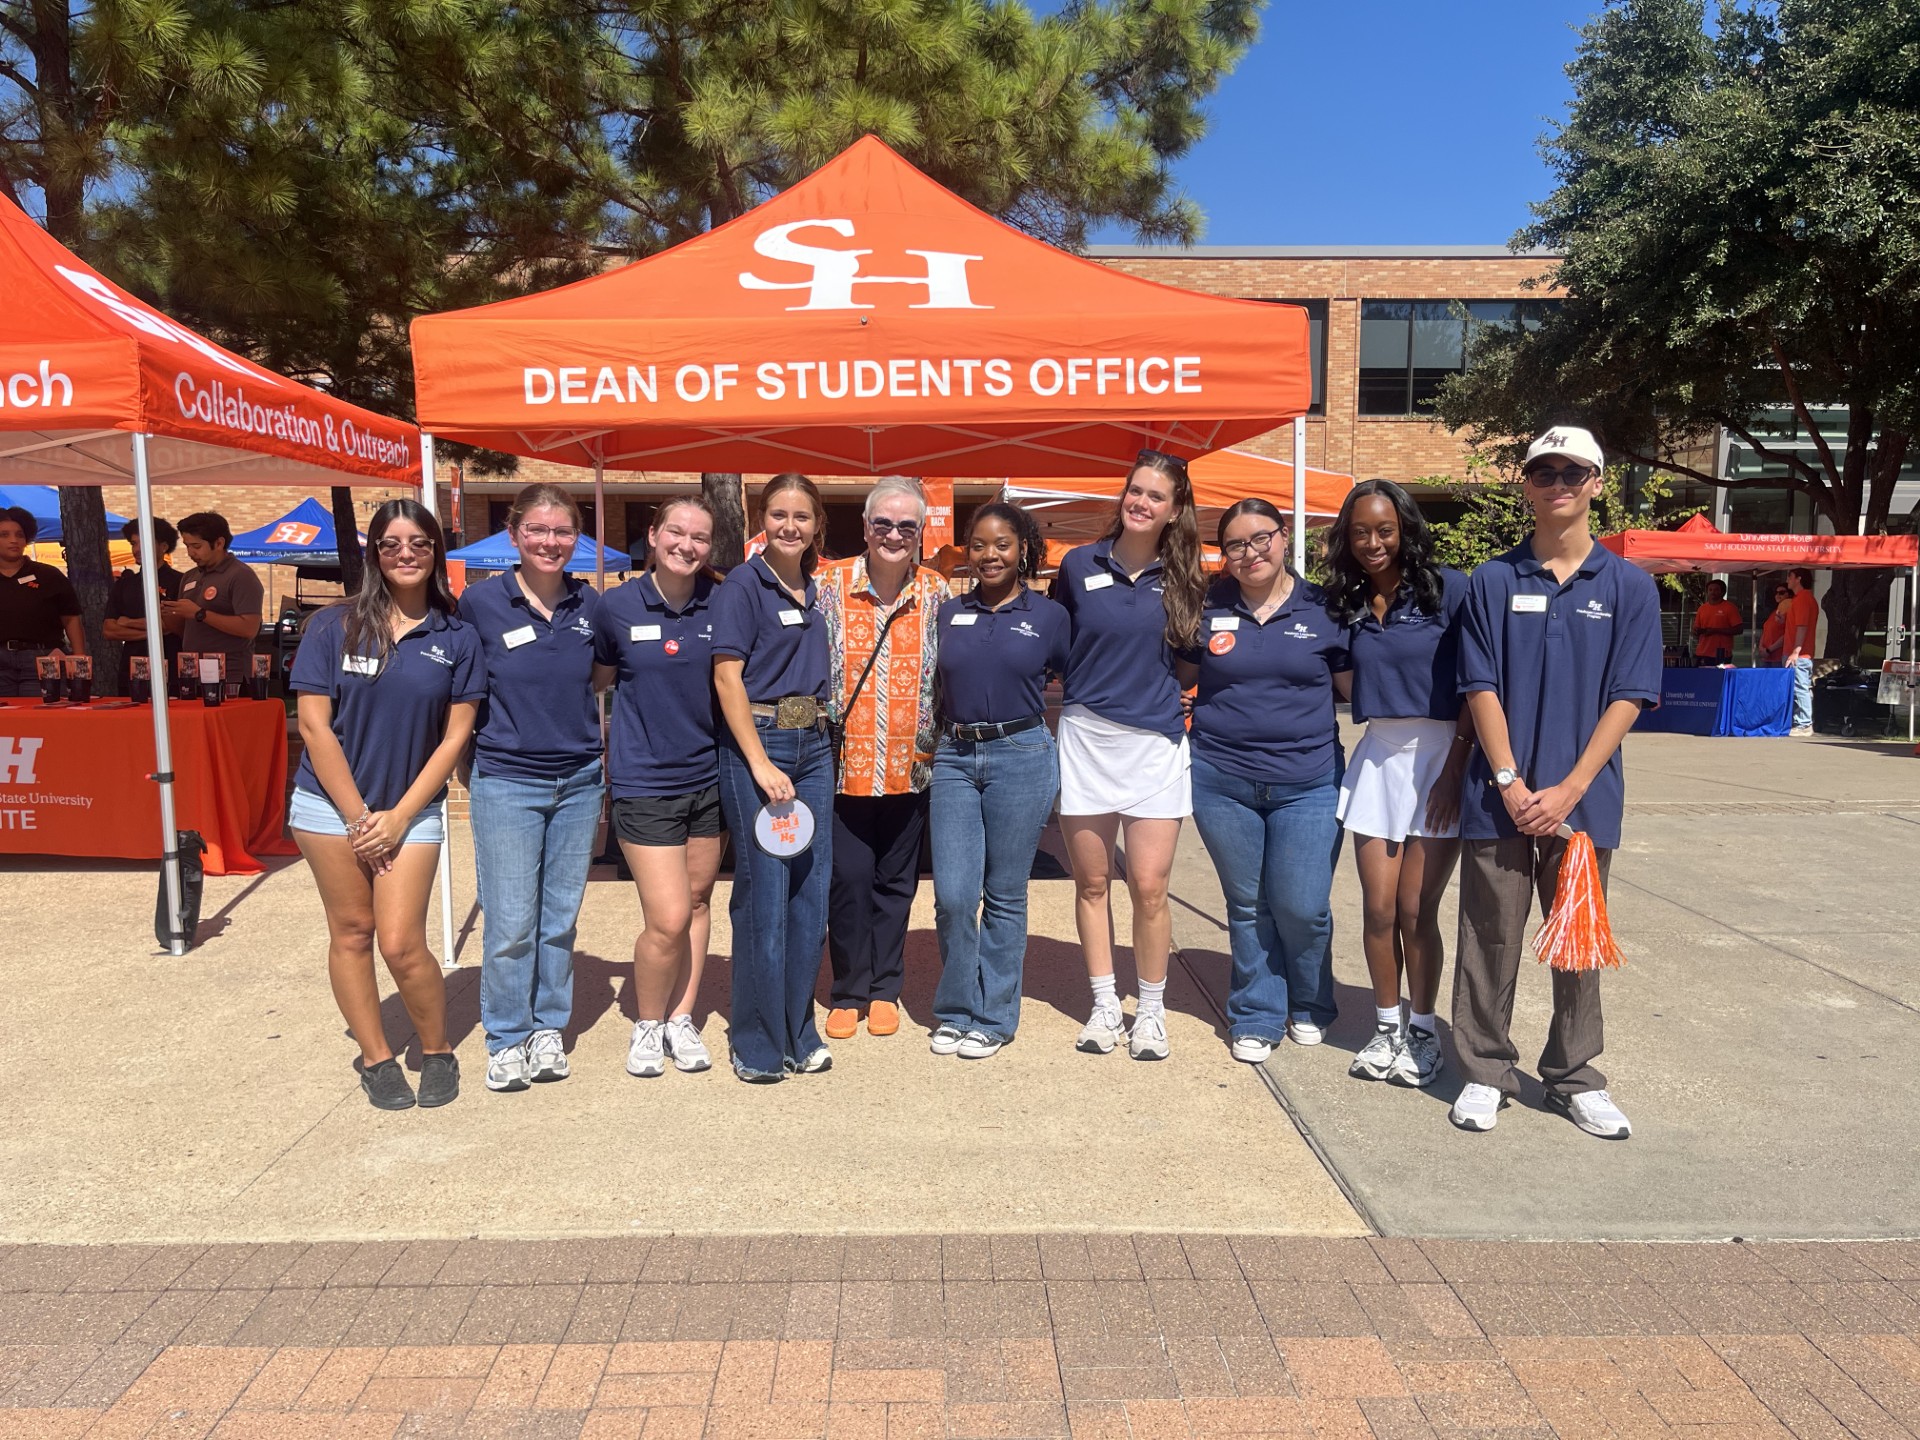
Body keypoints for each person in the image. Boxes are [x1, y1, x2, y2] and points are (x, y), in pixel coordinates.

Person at [1450, 425, 1661, 1140]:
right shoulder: (1492, 579)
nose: (1559, 483)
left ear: (1597, 484)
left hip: (1584, 803)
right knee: (1489, 937)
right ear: (1528, 485)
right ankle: (1484, 1071)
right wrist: (1509, 780)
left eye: (1574, 472)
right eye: (1545, 471)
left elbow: (1629, 696)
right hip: (1498, 798)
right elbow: (1479, 685)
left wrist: (1569, 789)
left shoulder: (1629, 586)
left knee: (1577, 943)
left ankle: (1574, 1077)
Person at [288, 498, 484, 1111]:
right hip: (328, 808)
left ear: (434, 553)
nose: (406, 554)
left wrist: (397, 817)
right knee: (351, 932)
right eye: (392, 543)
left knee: (401, 942)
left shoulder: (457, 636)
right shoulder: (332, 626)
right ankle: (375, 1057)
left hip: (412, 811)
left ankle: (436, 1048)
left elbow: (455, 738)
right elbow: (314, 727)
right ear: (376, 553)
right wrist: (356, 819)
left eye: (418, 543)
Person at [1177, 499, 1351, 1064]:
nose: (1250, 553)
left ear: (1284, 539)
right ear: (1222, 554)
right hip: (1223, 778)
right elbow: (1180, 675)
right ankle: (1256, 1011)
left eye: (1262, 539)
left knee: (1302, 905)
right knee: (1248, 904)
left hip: (1309, 780)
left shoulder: (1325, 609)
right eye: (1235, 545)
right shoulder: (1208, 607)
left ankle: (1310, 1001)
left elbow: (1356, 689)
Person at [1055, 449, 1208, 1061]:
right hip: (1086, 739)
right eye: (1135, 491)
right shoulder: (1076, 564)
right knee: (1093, 883)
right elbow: (1057, 642)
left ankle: (1149, 1009)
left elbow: (1192, 661)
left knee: (1148, 885)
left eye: (1155, 497)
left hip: (1154, 746)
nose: (1140, 503)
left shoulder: (1189, 578)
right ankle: (1101, 1006)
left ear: (1174, 511)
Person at [456, 485, 607, 1094]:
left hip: (578, 780)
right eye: (537, 530)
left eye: (562, 531)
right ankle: (506, 1035)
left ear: (577, 537)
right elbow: (461, 693)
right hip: (506, 781)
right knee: (511, 920)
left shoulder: (590, 605)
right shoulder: (479, 604)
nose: (550, 542)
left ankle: (548, 1027)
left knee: (558, 918)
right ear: (514, 533)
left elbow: (600, 678)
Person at [1325, 480, 1471, 1087]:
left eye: (1384, 529)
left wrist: (1456, 770)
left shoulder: (1450, 591)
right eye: (1360, 532)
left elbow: (1481, 683)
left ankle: (1424, 1031)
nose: (1373, 542)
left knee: (1416, 909)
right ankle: (1386, 1028)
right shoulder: (1346, 603)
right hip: (1378, 758)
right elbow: (1337, 677)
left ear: (1406, 528)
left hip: (1441, 756)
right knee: (1379, 909)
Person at [928, 503, 1069, 1060]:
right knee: (954, 896)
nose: (990, 555)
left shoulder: (1050, 616)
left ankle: (993, 1016)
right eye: (980, 545)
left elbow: (1068, 672)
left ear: (1023, 550)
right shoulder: (947, 611)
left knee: (1005, 895)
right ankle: (956, 1008)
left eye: (1003, 544)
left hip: (1022, 754)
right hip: (955, 756)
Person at [711, 474, 835, 1082]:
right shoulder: (744, 584)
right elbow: (727, 678)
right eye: (780, 514)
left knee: (810, 893)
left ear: (817, 525)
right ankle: (756, 1039)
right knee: (765, 895)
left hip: (814, 745)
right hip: (761, 747)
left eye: (802, 516)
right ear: (763, 520)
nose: (791, 526)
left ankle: (797, 1028)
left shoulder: (815, 588)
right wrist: (759, 761)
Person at [593, 496, 723, 1079]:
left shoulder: (722, 603)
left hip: (710, 779)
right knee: (667, 917)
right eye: (676, 532)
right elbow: (597, 680)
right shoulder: (615, 607)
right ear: (653, 534)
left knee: (699, 903)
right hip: (645, 781)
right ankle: (649, 1022)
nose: (686, 545)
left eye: (699, 537)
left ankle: (682, 1017)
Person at [817, 478, 951, 1040]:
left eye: (907, 526)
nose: (894, 535)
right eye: (883, 524)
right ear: (865, 528)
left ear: (921, 533)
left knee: (897, 884)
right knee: (847, 880)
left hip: (910, 764)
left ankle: (884, 988)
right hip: (843, 765)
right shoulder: (826, 585)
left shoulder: (939, 593)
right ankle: (848, 988)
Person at [167, 511, 265, 692]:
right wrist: (165, 613)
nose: (190, 553)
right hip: (192, 674)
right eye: (187, 546)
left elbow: (249, 628)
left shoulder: (241, 575)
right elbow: (186, 629)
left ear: (219, 543)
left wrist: (200, 614)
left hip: (230, 677)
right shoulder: (189, 576)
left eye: (196, 546)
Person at [0, 506, 84, 696]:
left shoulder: (48, 575)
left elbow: (70, 618)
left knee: (44, 717)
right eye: (4, 535)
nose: (13, 540)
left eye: (19, 535)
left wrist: (78, 659)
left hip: (43, 658)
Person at [103, 517, 184, 695]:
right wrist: (156, 630)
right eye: (134, 543)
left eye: (144, 542)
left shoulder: (180, 581)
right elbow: (109, 630)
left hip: (170, 669)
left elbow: (173, 627)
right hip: (130, 671)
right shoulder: (124, 584)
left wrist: (126, 622)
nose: (137, 549)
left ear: (163, 546)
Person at [1783, 566, 1820, 736]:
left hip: (1800, 654)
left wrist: (1795, 651)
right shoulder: (1800, 599)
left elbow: (1802, 627)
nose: (1787, 580)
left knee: (1800, 687)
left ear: (1798, 578)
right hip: (1797, 653)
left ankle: (1804, 724)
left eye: (1790, 577)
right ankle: (1800, 722)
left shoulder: (1804, 599)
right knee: (1797, 687)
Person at [1692, 579, 1743, 665]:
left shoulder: (1730, 608)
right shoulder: (1702, 608)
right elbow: (1696, 628)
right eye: (1710, 590)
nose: (1713, 592)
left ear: (1723, 592)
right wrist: (1696, 631)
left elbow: (1739, 629)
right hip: (1702, 652)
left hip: (1721, 653)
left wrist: (1715, 631)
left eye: (1716, 590)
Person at [1759, 582, 1791, 665]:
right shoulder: (1774, 612)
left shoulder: (1789, 612)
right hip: (1766, 657)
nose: (1778, 595)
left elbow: (1787, 634)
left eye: (1782, 593)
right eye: (1776, 593)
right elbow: (1765, 631)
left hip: (1778, 657)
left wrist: (1769, 649)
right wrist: (1761, 648)